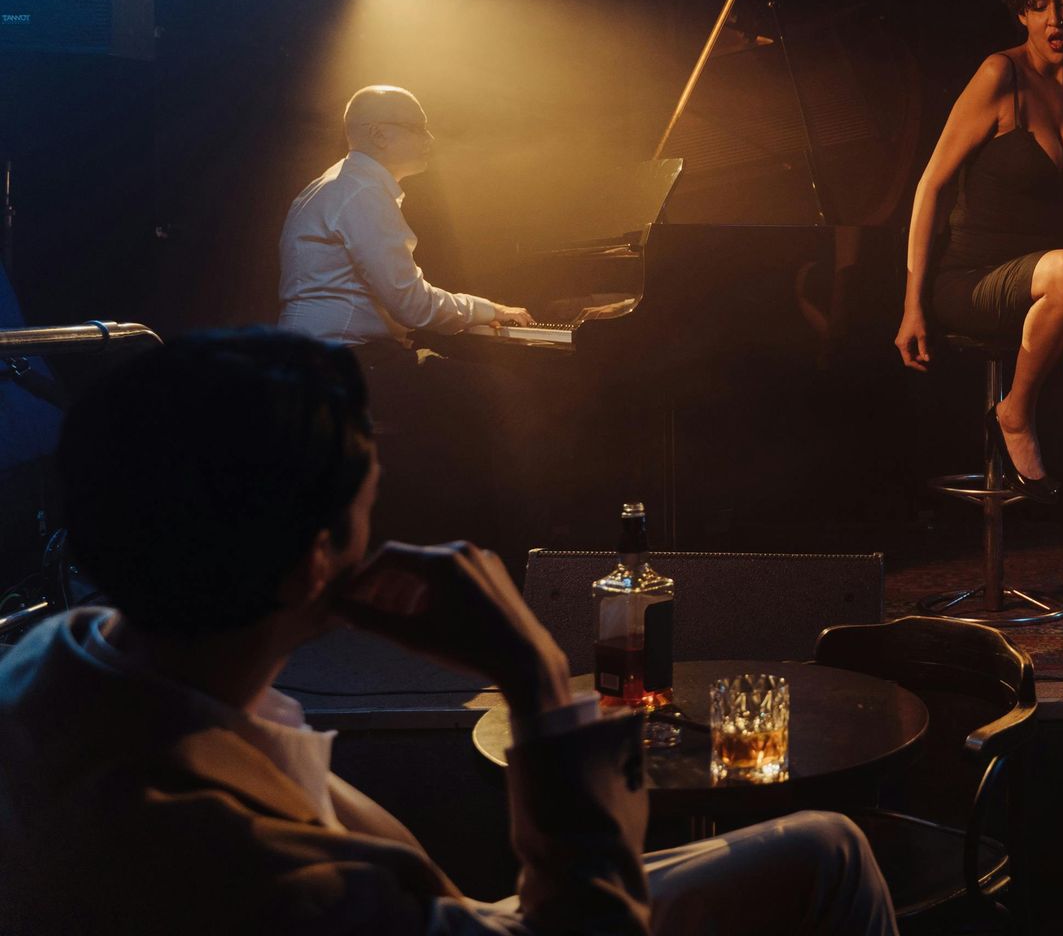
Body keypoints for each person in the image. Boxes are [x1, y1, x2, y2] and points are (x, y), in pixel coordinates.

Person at [0, 329, 899, 935]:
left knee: (824, 846)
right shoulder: (253, 869)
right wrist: (536, 677)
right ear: (317, 557)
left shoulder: (57, 657)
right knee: (834, 857)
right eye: (368, 501)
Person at [894, 0, 1063, 670]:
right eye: (1039, 4)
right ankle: (1017, 408)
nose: (1056, 16)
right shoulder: (1001, 74)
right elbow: (931, 184)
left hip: (1045, 290)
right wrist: (910, 304)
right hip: (972, 280)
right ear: (1021, 14)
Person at [279, 84, 532, 347]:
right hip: (346, 360)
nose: (430, 139)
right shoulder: (363, 193)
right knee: (493, 384)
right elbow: (412, 306)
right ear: (378, 134)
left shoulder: (338, 183)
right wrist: (488, 310)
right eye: (418, 127)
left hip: (312, 356)